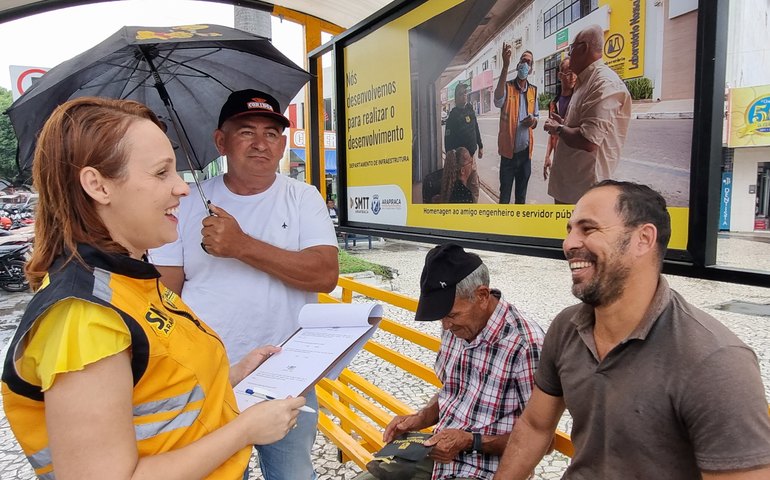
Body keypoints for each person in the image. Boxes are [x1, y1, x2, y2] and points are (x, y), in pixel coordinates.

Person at [1, 97, 305, 480]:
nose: (181, 188)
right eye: (162, 173)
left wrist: (231, 376)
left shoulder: (131, 281)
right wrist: (245, 430)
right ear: (98, 185)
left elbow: (153, 396)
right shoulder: (86, 317)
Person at [494, 180, 770, 479]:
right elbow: (535, 427)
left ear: (643, 239)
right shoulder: (567, 328)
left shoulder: (716, 361)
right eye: (570, 230)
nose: (569, 243)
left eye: (588, 229)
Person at [150, 89, 339, 480]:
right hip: (210, 376)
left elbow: (324, 274)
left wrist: (241, 246)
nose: (260, 143)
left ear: (282, 145)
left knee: (293, 475)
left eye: (271, 134)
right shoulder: (186, 203)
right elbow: (166, 297)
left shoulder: (303, 197)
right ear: (221, 141)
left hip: (289, 372)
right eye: (246, 131)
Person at [358, 243, 544, 480]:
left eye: (452, 315)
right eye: (441, 317)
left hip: (488, 469)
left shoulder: (526, 344)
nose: (446, 326)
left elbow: (539, 440)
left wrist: (471, 441)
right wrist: (420, 418)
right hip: (438, 455)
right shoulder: (456, 326)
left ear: (482, 296)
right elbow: (453, 392)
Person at [543, 25, 632, 204]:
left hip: (582, 192)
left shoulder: (603, 83)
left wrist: (558, 128)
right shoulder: (584, 82)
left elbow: (588, 140)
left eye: (571, 49)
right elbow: (582, 125)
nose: (569, 55)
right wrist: (564, 123)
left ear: (583, 48)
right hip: (568, 186)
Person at [494, 46, 538, 205]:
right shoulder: (507, 87)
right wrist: (505, 66)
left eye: (528, 62)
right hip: (508, 156)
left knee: (521, 199)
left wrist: (532, 121)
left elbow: (536, 118)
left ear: (531, 69)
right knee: (504, 198)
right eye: (523, 60)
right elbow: (497, 101)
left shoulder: (533, 91)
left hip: (525, 157)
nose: (525, 64)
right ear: (518, 64)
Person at [543, 56, 576, 181]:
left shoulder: (578, 100)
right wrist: (547, 156)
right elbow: (552, 134)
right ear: (560, 76)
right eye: (568, 73)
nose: (573, 77)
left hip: (574, 160)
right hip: (558, 158)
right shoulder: (554, 104)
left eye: (575, 73)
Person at [444, 83, 484, 161]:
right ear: (456, 98)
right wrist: (450, 157)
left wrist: (480, 146)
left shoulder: (470, 109)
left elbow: (475, 128)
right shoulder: (453, 116)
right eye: (460, 94)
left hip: (471, 157)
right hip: (460, 160)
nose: (464, 95)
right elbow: (448, 140)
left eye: (465, 92)